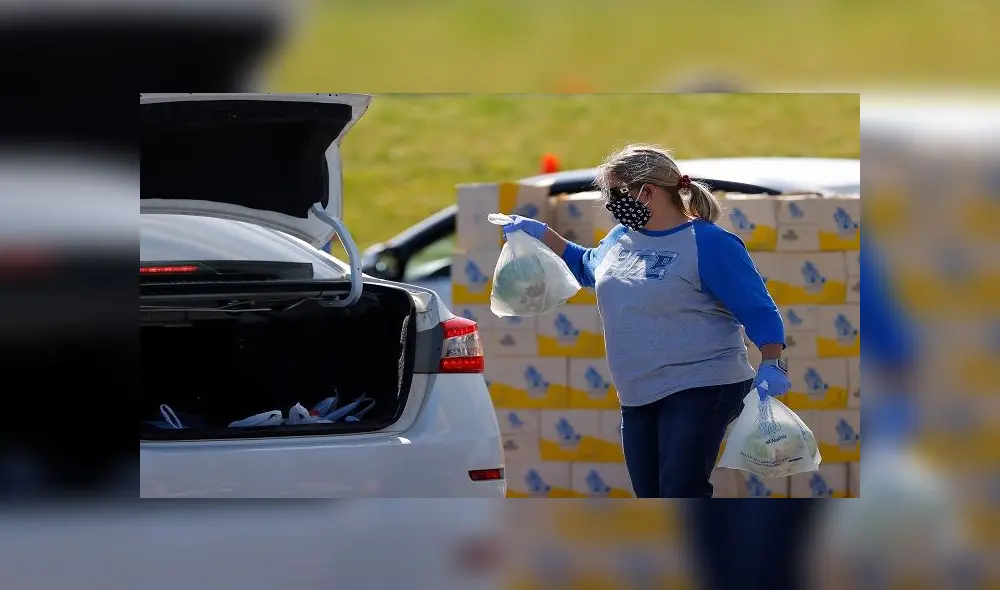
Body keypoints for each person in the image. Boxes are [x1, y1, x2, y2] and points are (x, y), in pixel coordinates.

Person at [501, 144, 790, 498]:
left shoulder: (710, 243)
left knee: (680, 489)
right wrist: (542, 234)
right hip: (638, 391)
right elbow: (589, 267)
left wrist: (772, 362)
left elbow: (758, 307)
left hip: (702, 384)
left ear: (648, 192)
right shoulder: (621, 238)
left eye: (616, 194)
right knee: (649, 493)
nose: (611, 205)